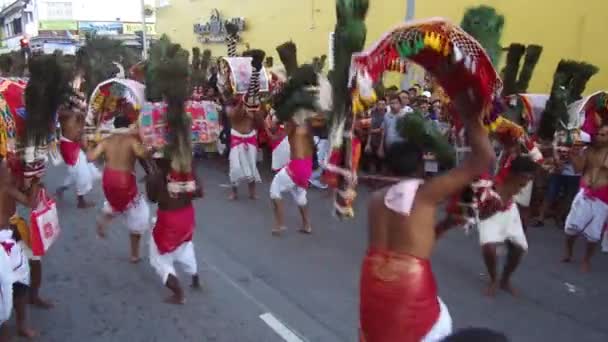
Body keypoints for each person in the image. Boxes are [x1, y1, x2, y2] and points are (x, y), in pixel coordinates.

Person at [360, 110, 495, 341]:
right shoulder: (425, 194)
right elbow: (484, 159)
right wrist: (468, 110)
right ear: (421, 167)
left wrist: (443, 226)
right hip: (408, 285)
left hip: (372, 280)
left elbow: (406, 247)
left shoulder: (375, 200)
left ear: (388, 168)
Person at [87, 116, 152, 263]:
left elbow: (90, 157)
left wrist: (88, 144)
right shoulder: (131, 141)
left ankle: (108, 214)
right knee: (140, 213)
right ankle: (134, 254)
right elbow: (144, 154)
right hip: (124, 180)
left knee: (118, 203)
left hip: (108, 180)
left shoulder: (106, 141)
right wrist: (151, 147)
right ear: (129, 126)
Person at [478, 156, 538, 296]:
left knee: (518, 248)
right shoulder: (495, 184)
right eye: (525, 177)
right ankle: (494, 279)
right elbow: (482, 215)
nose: (527, 181)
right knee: (489, 248)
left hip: (510, 211)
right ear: (513, 174)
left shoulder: (519, 183)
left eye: (529, 178)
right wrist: (494, 207)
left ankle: (504, 280)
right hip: (490, 213)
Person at [146, 158, 202, 304]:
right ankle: (195, 278)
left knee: (158, 258)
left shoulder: (156, 176)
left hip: (169, 221)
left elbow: (152, 199)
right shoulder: (187, 169)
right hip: (187, 217)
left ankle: (179, 295)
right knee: (184, 246)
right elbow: (199, 192)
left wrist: (155, 176)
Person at [0, 159, 39, 338]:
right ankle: (20, 325)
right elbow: (31, 203)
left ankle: (15, 327)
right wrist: (35, 183)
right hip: (5, 244)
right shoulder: (7, 189)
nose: (9, 171)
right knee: (20, 280)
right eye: (6, 169)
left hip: (6, 241)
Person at [562, 125, 608, 272]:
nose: (599, 137)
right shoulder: (588, 151)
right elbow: (578, 169)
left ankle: (586, 260)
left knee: (593, 235)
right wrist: (574, 155)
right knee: (571, 228)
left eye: (604, 135)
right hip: (584, 194)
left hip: (602, 198)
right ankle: (568, 251)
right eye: (599, 134)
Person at [270, 118, 314, 235]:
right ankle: (307, 225)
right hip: (307, 167)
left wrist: (266, 126)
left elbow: (275, 138)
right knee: (300, 197)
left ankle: (280, 225)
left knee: (275, 189)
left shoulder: (291, 125)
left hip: (296, 166)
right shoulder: (309, 127)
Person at [56, 108, 101, 208]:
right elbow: (81, 141)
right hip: (71, 152)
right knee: (82, 174)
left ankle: (62, 188)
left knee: (75, 173)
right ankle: (81, 202)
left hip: (71, 149)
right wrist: (86, 143)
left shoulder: (68, 122)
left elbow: (78, 136)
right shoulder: (71, 124)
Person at [378, 94, 406, 159]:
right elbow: (383, 132)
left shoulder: (405, 116)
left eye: (396, 103)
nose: (393, 105)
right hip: (388, 147)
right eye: (391, 103)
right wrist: (381, 147)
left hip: (402, 148)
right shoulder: (386, 116)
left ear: (400, 104)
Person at [364, 98, 386, 174]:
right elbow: (369, 129)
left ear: (386, 105)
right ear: (376, 105)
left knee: (382, 163)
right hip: (372, 140)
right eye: (379, 104)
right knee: (371, 162)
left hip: (383, 141)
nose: (381, 106)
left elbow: (383, 129)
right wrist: (368, 143)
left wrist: (374, 130)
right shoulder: (372, 114)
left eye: (383, 104)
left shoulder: (387, 115)